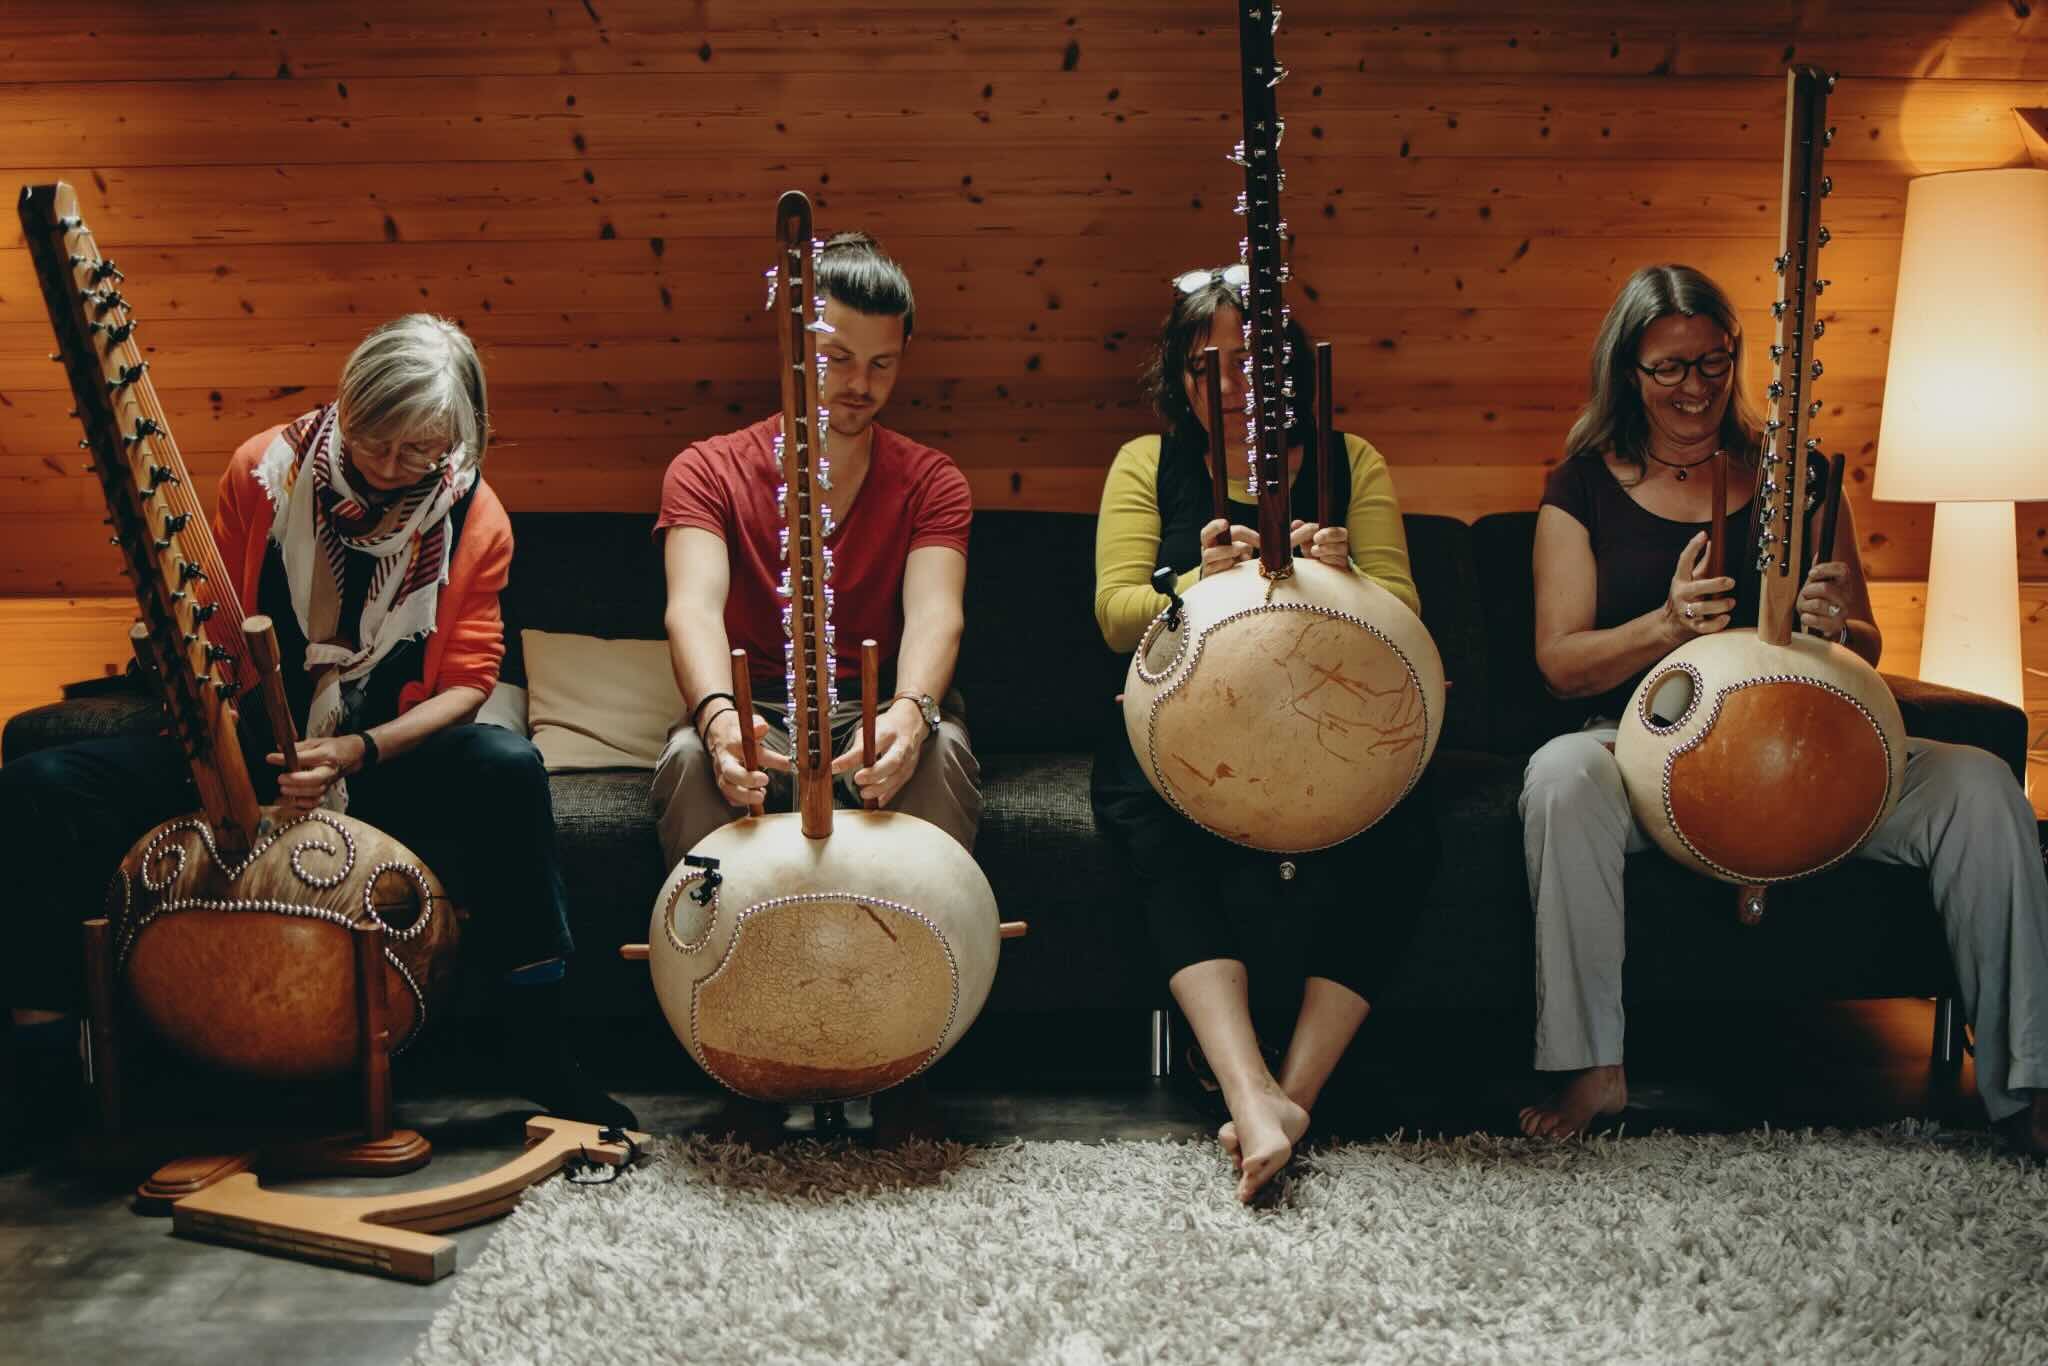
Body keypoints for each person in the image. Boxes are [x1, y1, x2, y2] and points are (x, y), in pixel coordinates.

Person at [1, 314, 634, 1154]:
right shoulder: (263, 474)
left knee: (510, 768)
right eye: (377, 440)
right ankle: (42, 1079)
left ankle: (539, 1049)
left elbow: (470, 685)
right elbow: (213, 629)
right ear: (347, 403)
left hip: (374, 764)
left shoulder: (475, 518)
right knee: (36, 787)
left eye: (423, 449)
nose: (393, 467)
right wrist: (195, 695)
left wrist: (354, 751)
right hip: (239, 743)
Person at [1519, 263, 2048, 1155]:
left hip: (1809, 756)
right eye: (1670, 368)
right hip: (1649, 757)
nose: (1696, 388)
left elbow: (1869, 642)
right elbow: (1558, 666)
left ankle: (2025, 1083)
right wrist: (1663, 625)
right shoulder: (1582, 488)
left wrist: (1841, 625)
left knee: (1981, 782)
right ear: (1627, 373)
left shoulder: (1797, 475)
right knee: (1558, 775)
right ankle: (1592, 1067)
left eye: (1714, 362)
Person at [1090, 264, 1441, 1202]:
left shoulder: (1351, 459)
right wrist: (1188, 585)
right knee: (1139, 801)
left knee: (1408, 817)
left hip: (1333, 727)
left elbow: (1404, 609)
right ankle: (1250, 1091)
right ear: (1182, 375)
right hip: (1191, 735)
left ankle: (1291, 1096)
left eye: (1260, 366)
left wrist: (1348, 574)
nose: (1241, 387)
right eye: (1216, 367)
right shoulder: (1146, 464)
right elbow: (1117, 615)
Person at [650, 232, 980, 1142]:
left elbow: (937, 617)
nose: (858, 384)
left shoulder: (933, 480)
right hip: (752, 701)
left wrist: (911, 716)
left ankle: (909, 1032)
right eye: (835, 358)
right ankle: (734, 1027)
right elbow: (693, 609)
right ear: (793, 350)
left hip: (875, 703)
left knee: (944, 752)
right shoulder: (707, 469)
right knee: (684, 764)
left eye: (881, 363)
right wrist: (720, 724)